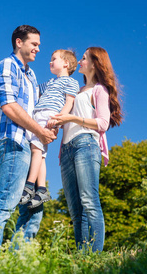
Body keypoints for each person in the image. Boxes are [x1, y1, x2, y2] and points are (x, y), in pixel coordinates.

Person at [0, 25, 56, 250]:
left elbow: (44, 104)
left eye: (39, 45)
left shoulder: (31, 76)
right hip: (13, 142)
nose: (38, 49)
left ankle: (16, 261)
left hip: (32, 147)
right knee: (5, 202)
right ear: (19, 42)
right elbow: (9, 105)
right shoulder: (7, 65)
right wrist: (40, 131)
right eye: (34, 44)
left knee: (33, 208)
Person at [51, 47, 123, 253]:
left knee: (90, 203)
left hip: (86, 145)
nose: (80, 61)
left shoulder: (99, 89)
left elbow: (102, 123)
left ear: (94, 63)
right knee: (75, 211)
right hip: (66, 150)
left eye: (84, 58)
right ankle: (82, 258)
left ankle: (94, 258)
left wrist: (72, 118)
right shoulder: (75, 90)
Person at [19, 50, 79, 209]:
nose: (50, 62)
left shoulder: (71, 82)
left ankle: (29, 186)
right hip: (38, 115)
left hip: (49, 116)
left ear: (66, 63)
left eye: (54, 59)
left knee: (36, 151)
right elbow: (33, 90)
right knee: (40, 154)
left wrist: (58, 120)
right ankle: (42, 189)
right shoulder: (50, 82)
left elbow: (69, 103)